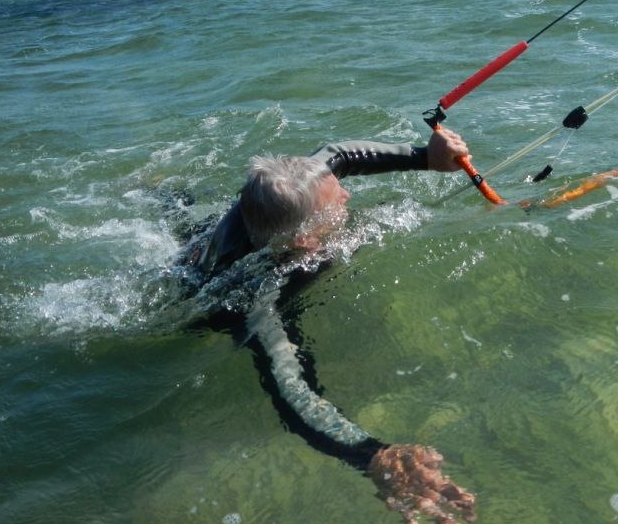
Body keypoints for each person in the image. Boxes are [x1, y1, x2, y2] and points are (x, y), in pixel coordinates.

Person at [185, 127, 477, 524]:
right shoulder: (262, 299)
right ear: (306, 239)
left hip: (238, 233)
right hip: (203, 280)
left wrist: (426, 156)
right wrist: (372, 455)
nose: (347, 194)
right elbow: (292, 391)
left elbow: (341, 152)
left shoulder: (296, 188)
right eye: (336, 198)